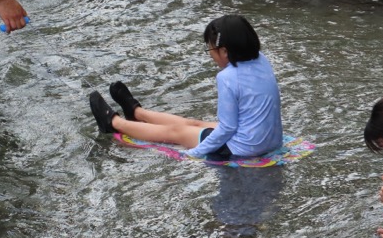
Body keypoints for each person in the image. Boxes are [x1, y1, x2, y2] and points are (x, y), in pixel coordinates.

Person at [87, 15, 283, 160]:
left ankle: (114, 124)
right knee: (194, 124)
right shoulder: (261, 60)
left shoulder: (227, 77)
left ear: (224, 51)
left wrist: (194, 154)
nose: (211, 55)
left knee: (176, 132)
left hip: (244, 147)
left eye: (210, 49)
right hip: (266, 139)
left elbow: (227, 128)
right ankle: (137, 112)